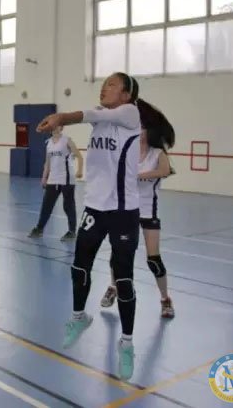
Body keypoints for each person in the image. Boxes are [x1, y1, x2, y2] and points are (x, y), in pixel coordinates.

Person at [36, 72, 143, 380]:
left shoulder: (130, 113)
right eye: (103, 83)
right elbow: (93, 116)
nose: (104, 87)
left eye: (112, 84)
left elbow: (88, 115)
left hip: (123, 210)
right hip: (95, 207)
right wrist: (65, 121)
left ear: (126, 95)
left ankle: (127, 344)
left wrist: (62, 117)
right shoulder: (101, 117)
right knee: (79, 266)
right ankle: (79, 316)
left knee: (123, 278)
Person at [100, 101, 176, 318]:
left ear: (149, 131)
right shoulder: (128, 151)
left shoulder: (157, 153)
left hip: (148, 211)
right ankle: (113, 287)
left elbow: (164, 170)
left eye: (142, 128)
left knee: (154, 260)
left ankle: (165, 299)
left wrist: (138, 175)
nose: (139, 131)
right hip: (126, 210)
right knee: (118, 253)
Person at [28, 126, 83, 241]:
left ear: (61, 127)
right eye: (53, 126)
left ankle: (72, 232)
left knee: (68, 206)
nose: (54, 128)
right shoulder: (48, 143)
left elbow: (79, 156)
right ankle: (39, 229)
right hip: (53, 179)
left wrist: (80, 170)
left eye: (57, 125)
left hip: (66, 178)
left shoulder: (67, 140)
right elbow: (47, 163)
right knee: (46, 205)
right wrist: (44, 177)